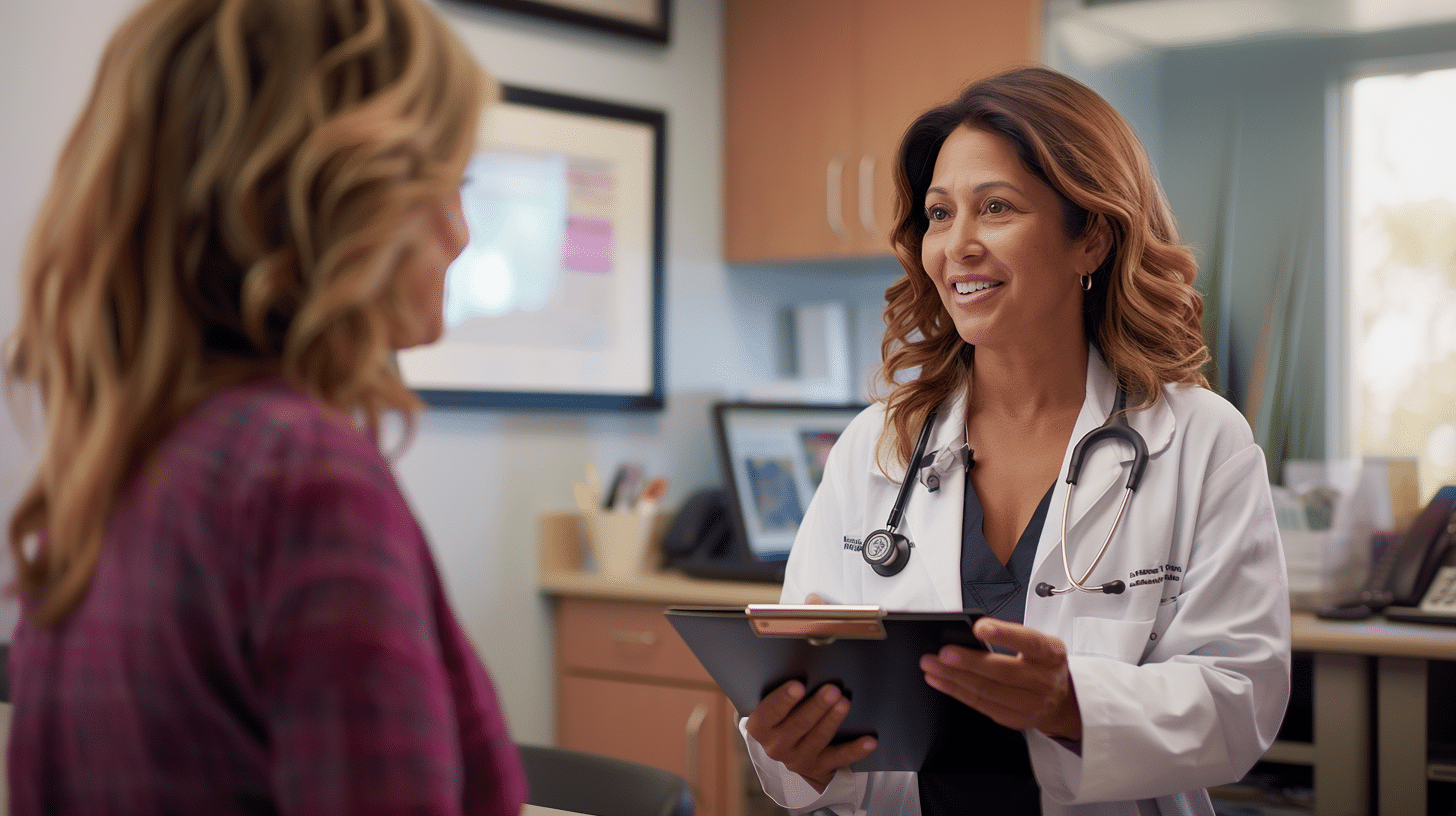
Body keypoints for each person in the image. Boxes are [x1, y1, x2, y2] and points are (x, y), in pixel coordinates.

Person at [4, 1, 527, 813]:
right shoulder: (302, 478)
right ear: (335, 190)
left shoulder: (103, 476)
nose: (460, 233)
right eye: (447, 182)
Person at [742, 66, 1292, 815]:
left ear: (1090, 238)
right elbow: (804, 705)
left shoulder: (1199, 440)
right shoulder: (878, 447)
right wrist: (795, 750)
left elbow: (1240, 701)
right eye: (939, 215)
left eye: (995, 208)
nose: (956, 245)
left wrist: (1071, 702)